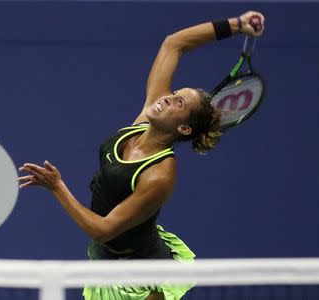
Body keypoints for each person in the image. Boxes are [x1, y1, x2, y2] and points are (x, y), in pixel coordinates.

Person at [18, 11, 265, 300]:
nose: (166, 98)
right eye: (173, 93)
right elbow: (174, 44)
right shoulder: (144, 121)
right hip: (108, 261)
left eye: (178, 102)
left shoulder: (160, 174)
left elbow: (101, 229)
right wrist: (236, 25)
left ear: (183, 127)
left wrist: (57, 187)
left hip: (142, 275)